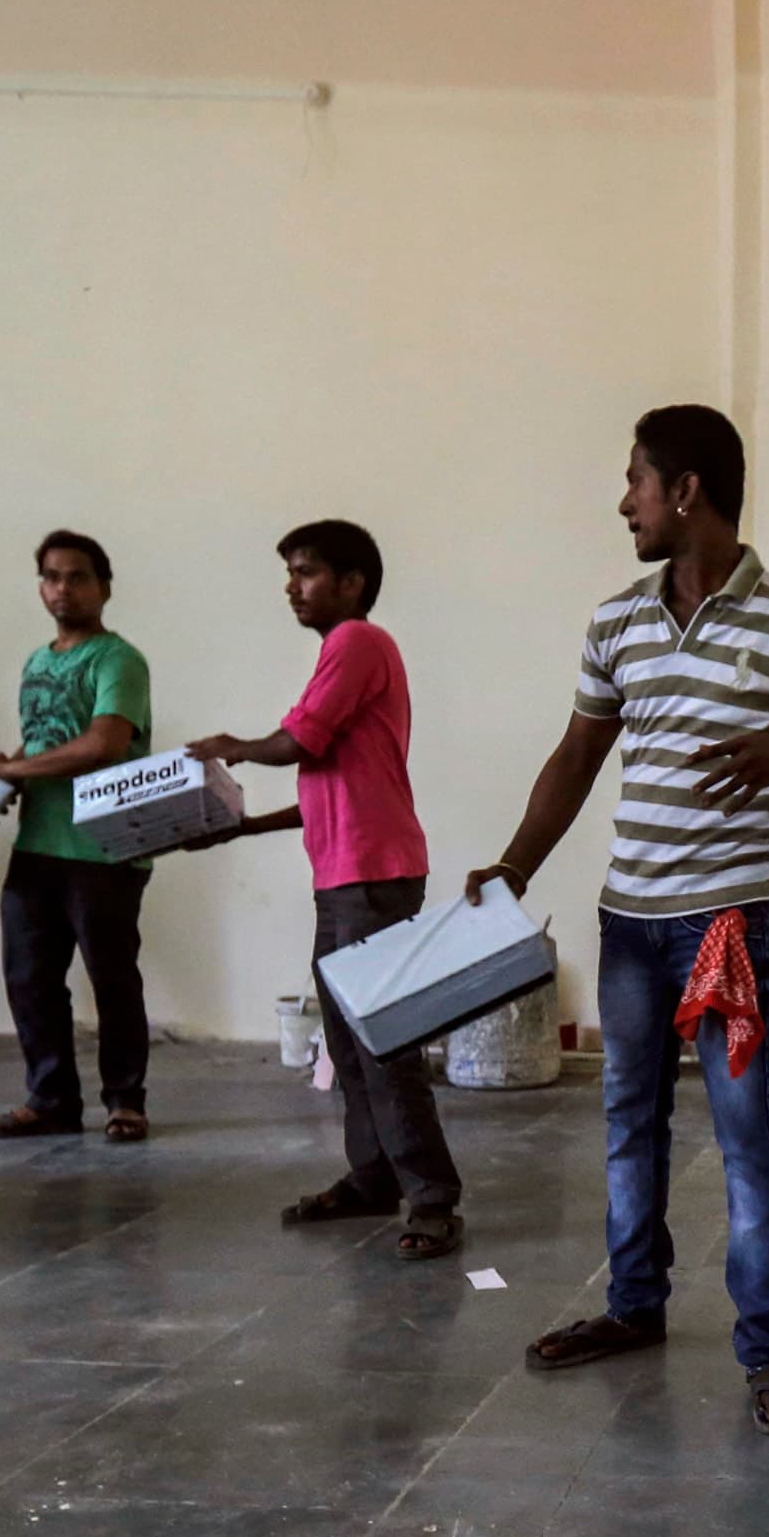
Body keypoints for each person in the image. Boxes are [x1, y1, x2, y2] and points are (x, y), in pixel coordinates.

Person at [466, 405, 769, 1435]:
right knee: (628, 1121)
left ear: (685, 490)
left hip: (727, 927)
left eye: (635, 482)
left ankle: (767, 1351)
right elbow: (577, 757)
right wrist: (514, 864)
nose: (625, 504)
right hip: (631, 926)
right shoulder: (615, 623)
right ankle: (633, 1306)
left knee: (746, 1134)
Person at [187, 519, 463, 1261]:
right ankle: (373, 1177)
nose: (292, 587)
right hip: (345, 876)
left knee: (384, 1043)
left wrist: (235, 747)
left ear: (352, 582)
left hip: (374, 876)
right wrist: (239, 828)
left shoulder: (358, 642)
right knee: (345, 1041)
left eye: (305, 572)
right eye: (290, 573)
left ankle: (433, 1197)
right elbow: (325, 784)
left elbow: (298, 742)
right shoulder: (340, 654)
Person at [0, 531, 154, 1142]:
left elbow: (103, 744)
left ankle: (125, 1102)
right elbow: (46, 740)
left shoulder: (118, 660)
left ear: (104, 587)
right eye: (51, 577)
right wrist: (1, 775)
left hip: (103, 849)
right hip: (37, 847)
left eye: (77, 577)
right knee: (29, 980)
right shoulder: (36, 662)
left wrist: (16, 771)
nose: (63, 589)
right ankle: (51, 1100)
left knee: (112, 980)